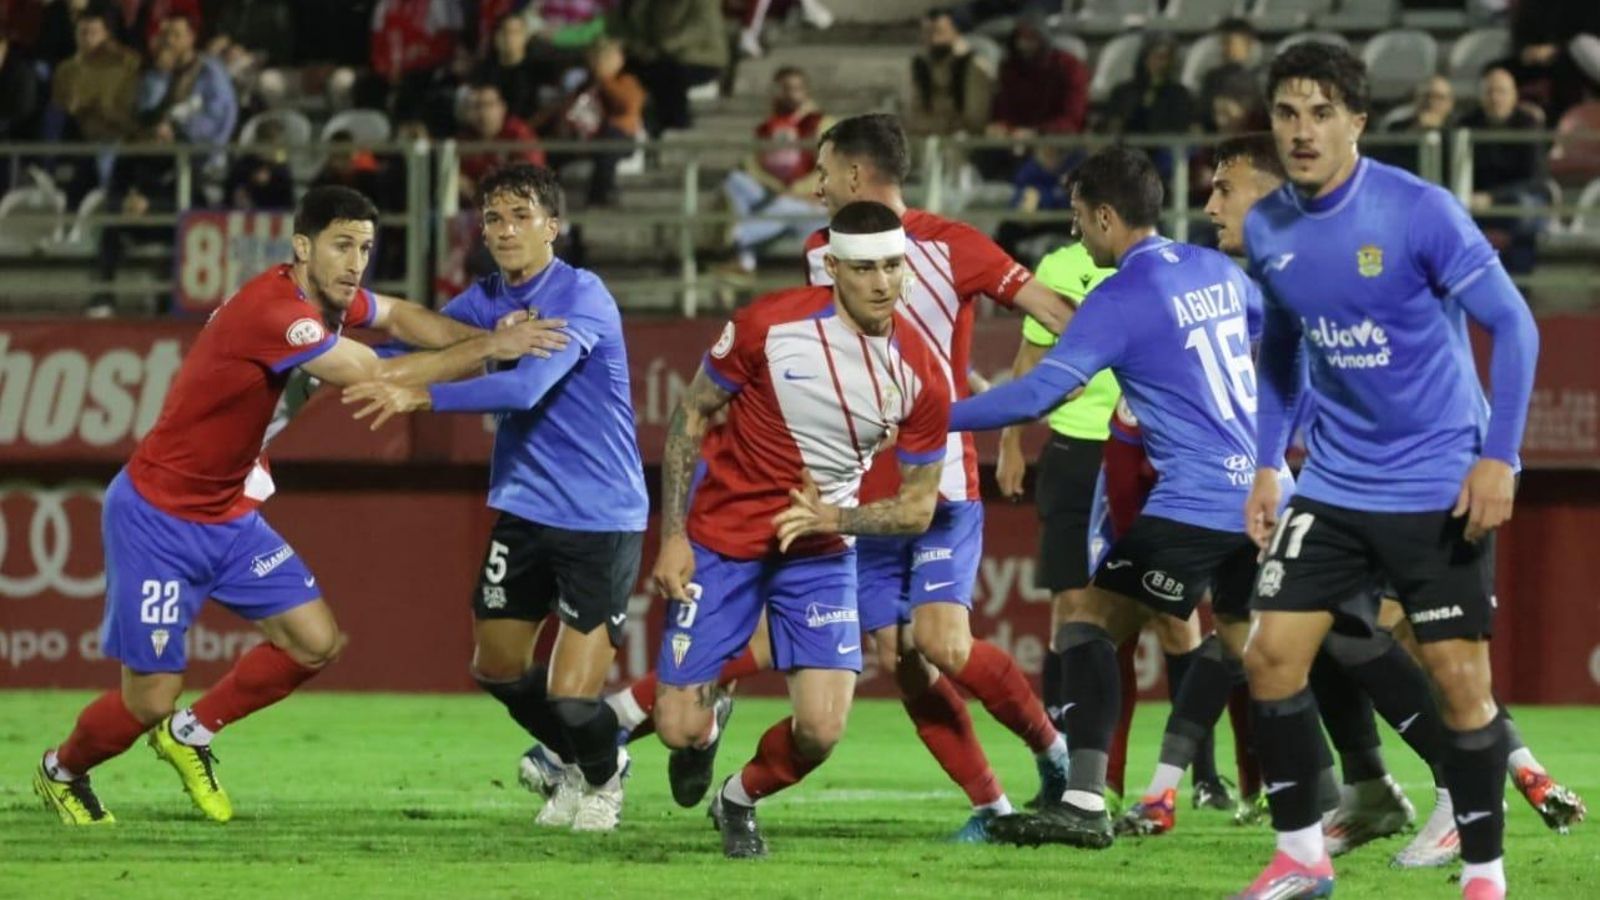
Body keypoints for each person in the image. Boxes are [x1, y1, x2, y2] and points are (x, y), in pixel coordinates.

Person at [522, 114, 1074, 840]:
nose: (815, 185)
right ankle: (989, 803)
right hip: (836, 495)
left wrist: (1023, 405)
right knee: (893, 657)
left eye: (824, 170)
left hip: (921, 489)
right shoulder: (815, 264)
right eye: (866, 268)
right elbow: (799, 372)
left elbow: (1051, 319)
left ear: (856, 175)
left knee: (933, 646)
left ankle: (1052, 754)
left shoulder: (954, 249)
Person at [32, 185, 569, 826]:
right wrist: (491, 349)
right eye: (342, 245)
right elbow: (376, 373)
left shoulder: (327, 299)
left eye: (365, 248)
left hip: (229, 512)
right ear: (302, 247)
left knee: (314, 643)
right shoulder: (278, 313)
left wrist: (487, 333)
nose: (355, 262)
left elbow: (400, 317)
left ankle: (190, 733)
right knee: (148, 699)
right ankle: (61, 771)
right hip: (159, 518)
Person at [1237, 43, 1539, 900]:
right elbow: (1282, 348)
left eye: (1321, 113)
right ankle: (1302, 860)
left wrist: (1499, 457)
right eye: (1287, 113)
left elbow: (1514, 325)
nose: (1302, 131)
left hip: (1436, 482)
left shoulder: (1418, 211)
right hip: (1335, 483)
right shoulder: (1267, 227)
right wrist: (1267, 463)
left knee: (1460, 685)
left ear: (1357, 123)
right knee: (1270, 658)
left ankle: (1484, 876)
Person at [945, 145, 1276, 857]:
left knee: (1086, 624)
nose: (1075, 232)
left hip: (1196, 501)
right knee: (1252, 647)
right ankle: (1348, 789)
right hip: (1258, 492)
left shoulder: (1122, 296)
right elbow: (1270, 338)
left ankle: (1086, 801)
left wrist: (931, 419)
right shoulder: (1217, 268)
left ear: (1103, 216)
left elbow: (1039, 393)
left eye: (1077, 217)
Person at [342, 165, 648, 834]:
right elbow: (407, 342)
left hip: (599, 516)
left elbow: (524, 388)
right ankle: (578, 763)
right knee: (498, 668)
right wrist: (315, 355)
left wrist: (423, 396)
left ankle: (604, 780)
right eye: (494, 219)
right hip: (526, 510)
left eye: (521, 216)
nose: (505, 230)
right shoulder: (484, 302)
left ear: (552, 226)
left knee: (572, 698)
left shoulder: (581, 295)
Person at [649, 199, 953, 857]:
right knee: (676, 727)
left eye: (893, 266)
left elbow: (918, 508)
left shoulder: (923, 374)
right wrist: (672, 534)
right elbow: (691, 413)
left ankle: (738, 799)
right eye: (865, 268)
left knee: (820, 730)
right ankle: (707, 725)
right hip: (723, 536)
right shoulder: (767, 324)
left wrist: (834, 518)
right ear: (834, 268)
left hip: (819, 545)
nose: (882, 283)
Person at [714, 66, 829, 282]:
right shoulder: (766, 127)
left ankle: (737, 242)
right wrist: (776, 188)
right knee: (735, 181)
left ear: (806, 91)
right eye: (785, 88)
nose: (791, 94)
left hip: (812, 203)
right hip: (776, 194)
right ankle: (745, 259)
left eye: (796, 88)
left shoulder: (822, 124)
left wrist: (797, 192)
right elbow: (751, 165)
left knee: (784, 205)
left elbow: (831, 167)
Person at [534, 38, 646, 206]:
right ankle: (546, 198)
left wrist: (605, 80)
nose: (599, 62)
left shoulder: (626, 82)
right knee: (552, 150)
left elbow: (627, 105)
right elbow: (565, 106)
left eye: (605, 57)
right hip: (586, 138)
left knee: (608, 143)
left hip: (620, 138)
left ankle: (601, 196)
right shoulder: (586, 85)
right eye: (596, 57)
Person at [1459, 67, 1547, 275]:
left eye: (1501, 91)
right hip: (1474, 201)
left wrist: (1492, 197)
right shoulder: (1466, 125)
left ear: (1514, 96)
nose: (1495, 98)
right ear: (1480, 96)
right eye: (1489, 92)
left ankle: (1520, 285)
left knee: (1524, 211)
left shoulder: (1528, 125)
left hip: (1516, 199)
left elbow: (1535, 180)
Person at [905, 7, 993, 139]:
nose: (933, 39)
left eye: (939, 32)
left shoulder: (973, 66)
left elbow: (975, 119)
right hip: (925, 138)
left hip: (962, 140)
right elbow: (913, 114)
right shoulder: (919, 66)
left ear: (955, 31)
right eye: (928, 33)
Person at [457, 81, 546, 207]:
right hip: (474, 208)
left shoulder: (519, 135)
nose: (482, 112)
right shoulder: (464, 139)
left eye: (488, 105)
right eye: (476, 106)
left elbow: (531, 179)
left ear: (502, 108)